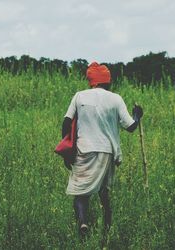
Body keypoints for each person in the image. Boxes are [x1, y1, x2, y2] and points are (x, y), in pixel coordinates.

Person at [62, 62, 143, 235]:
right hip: (107, 151)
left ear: (92, 82)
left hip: (83, 149)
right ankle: (106, 229)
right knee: (104, 192)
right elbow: (130, 127)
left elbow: (66, 123)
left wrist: (66, 153)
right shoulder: (116, 98)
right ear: (107, 81)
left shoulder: (79, 96)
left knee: (80, 193)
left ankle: (83, 224)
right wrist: (137, 115)